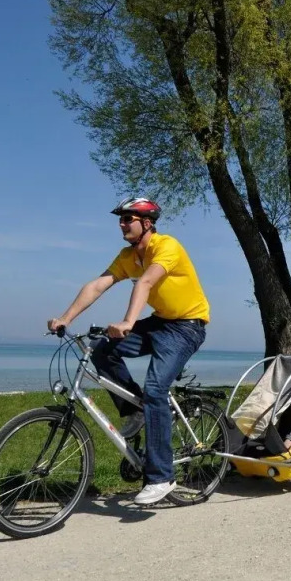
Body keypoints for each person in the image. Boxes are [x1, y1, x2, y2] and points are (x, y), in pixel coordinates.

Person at [48, 196, 210, 506]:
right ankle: (134, 410)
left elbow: (146, 283)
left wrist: (128, 321)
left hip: (187, 326)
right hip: (160, 323)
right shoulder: (128, 256)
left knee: (155, 388)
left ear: (147, 223)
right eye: (120, 219)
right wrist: (65, 319)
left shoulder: (167, 246)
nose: (122, 224)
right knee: (101, 350)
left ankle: (161, 477)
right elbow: (97, 285)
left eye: (128, 219)